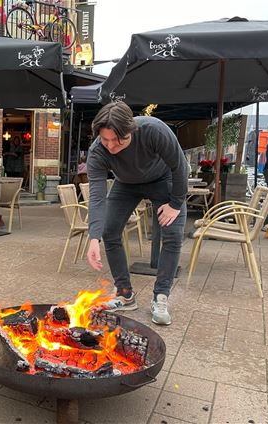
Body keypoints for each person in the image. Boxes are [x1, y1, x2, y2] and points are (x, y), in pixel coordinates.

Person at [86, 101, 188, 326]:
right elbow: (97, 196)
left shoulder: (154, 130)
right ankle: (125, 294)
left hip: (163, 179)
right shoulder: (97, 152)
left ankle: (161, 297)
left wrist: (176, 203)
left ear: (131, 130)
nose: (111, 146)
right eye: (105, 140)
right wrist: (93, 237)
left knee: (172, 235)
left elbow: (180, 166)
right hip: (127, 183)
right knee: (109, 230)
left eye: (118, 140)